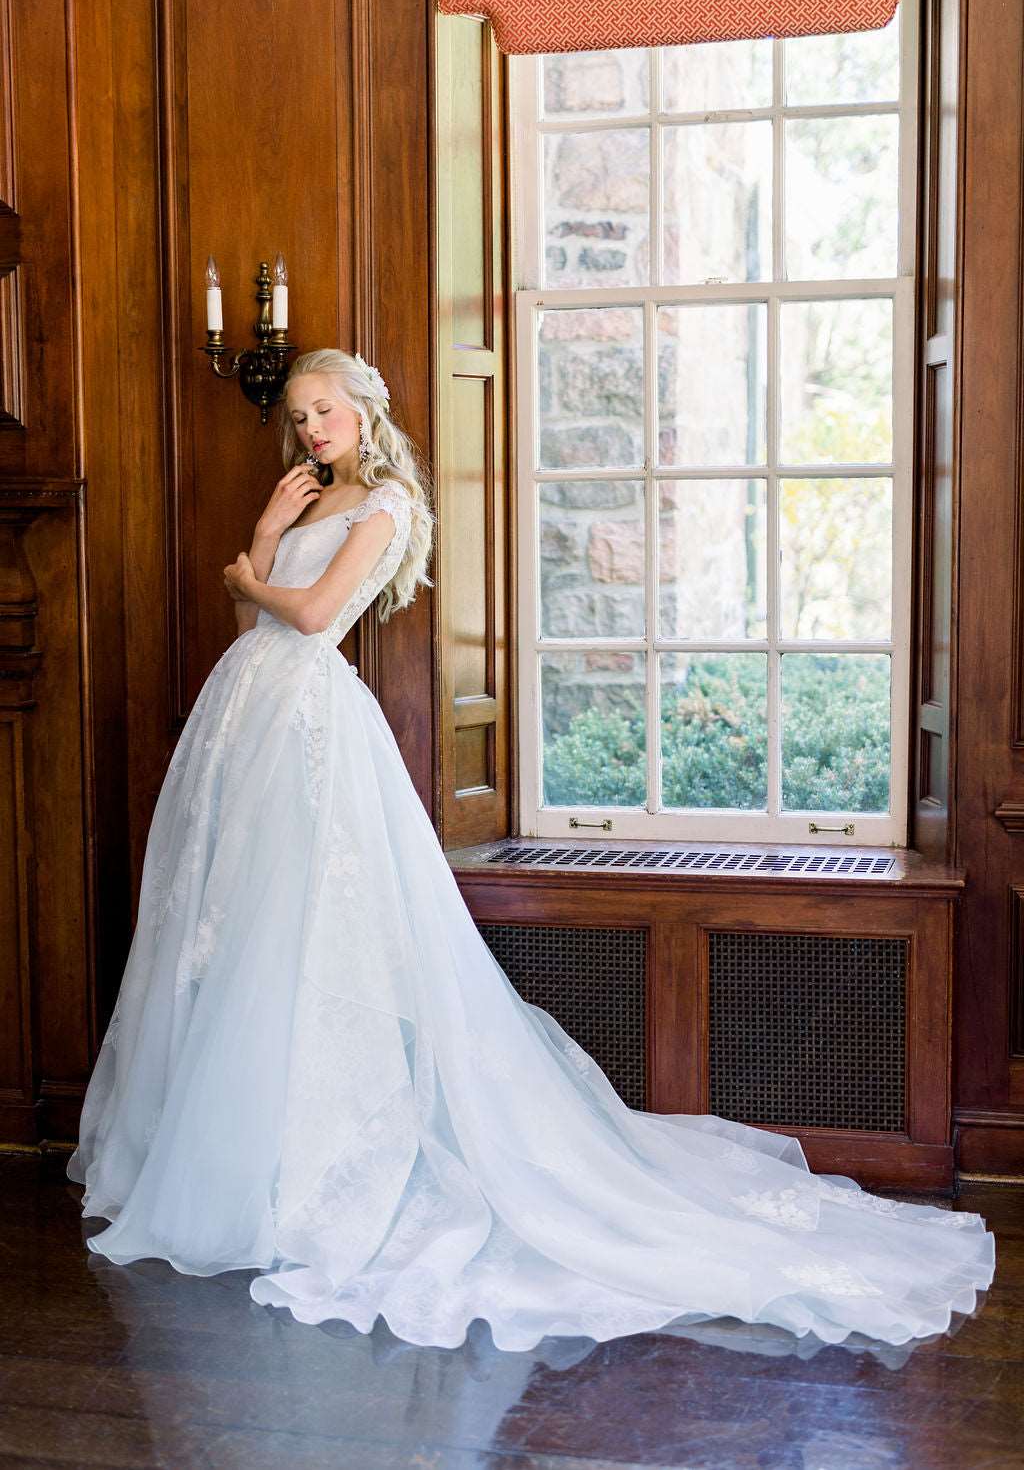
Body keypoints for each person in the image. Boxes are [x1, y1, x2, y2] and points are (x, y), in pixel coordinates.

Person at [68, 348, 995, 1354]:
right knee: (238, 929)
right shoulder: (297, 503)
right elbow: (251, 615)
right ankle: (242, 1161)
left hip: (309, 726)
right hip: (246, 717)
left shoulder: (384, 507)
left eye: (323, 411)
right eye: (297, 418)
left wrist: (254, 564)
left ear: (361, 412)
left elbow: (313, 616)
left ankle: (319, 1166)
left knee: (309, 929)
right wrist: (259, 542)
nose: (309, 431)